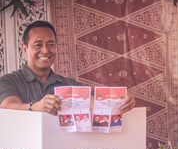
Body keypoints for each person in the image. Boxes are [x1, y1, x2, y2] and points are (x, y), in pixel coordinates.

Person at [0, 20, 135, 115]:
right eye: (38, 45)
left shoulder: (70, 84)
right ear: (25, 49)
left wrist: (121, 100)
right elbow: (8, 106)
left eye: (51, 44)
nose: (45, 50)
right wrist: (36, 106)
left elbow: (96, 101)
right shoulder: (8, 81)